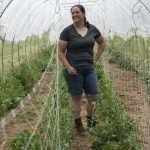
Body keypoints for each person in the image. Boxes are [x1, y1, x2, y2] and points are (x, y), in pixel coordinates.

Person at [58, 4, 105, 137]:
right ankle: (78, 125)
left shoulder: (92, 29)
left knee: (93, 96)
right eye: (72, 13)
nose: (74, 15)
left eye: (77, 12)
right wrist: (68, 66)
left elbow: (102, 43)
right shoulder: (67, 31)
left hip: (89, 69)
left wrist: (96, 58)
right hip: (74, 70)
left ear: (83, 14)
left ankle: (91, 121)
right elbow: (60, 52)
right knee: (76, 98)